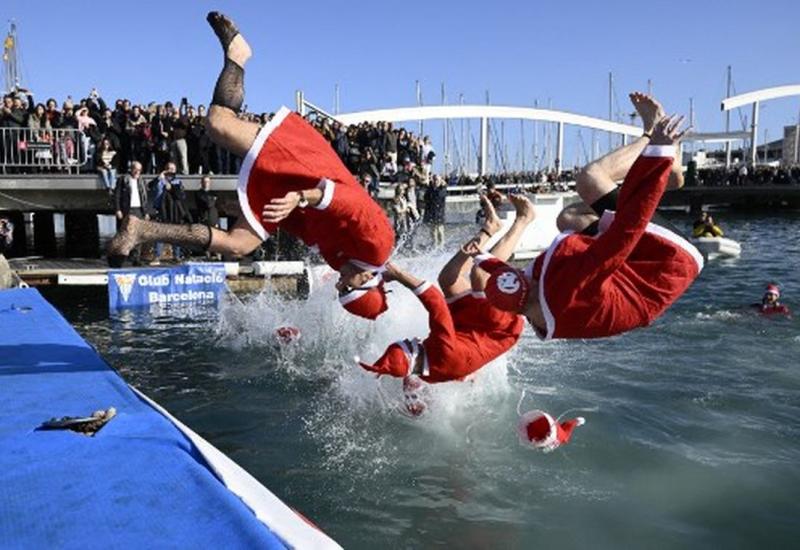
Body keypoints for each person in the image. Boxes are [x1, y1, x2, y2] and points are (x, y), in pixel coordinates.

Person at [108, 12, 395, 319]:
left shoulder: (345, 264)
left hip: (294, 198)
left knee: (238, 244)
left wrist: (260, 210)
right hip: (310, 169)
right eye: (346, 288)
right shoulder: (378, 246)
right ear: (367, 280)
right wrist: (299, 198)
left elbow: (311, 229)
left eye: (340, 291)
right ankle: (238, 54)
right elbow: (351, 201)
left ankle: (142, 229)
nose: (338, 283)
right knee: (218, 125)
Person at [471, 96, 703, 340]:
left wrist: (482, 256)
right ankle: (650, 135)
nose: (526, 272)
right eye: (525, 276)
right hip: (666, 259)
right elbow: (627, 229)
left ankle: (670, 176)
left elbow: (500, 276)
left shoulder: (532, 306)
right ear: (529, 293)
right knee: (590, 179)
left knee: (570, 218)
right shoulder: (570, 286)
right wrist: (658, 154)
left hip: (635, 277)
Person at [357, 194, 534, 415]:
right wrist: (398, 274)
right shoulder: (442, 350)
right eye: (407, 343)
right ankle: (524, 219)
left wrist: (471, 372)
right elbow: (434, 301)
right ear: (412, 352)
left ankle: (490, 228)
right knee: (480, 274)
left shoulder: (429, 373)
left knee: (448, 278)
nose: (412, 339)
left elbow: (459, 373)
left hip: (469, 330)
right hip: (498, 330)